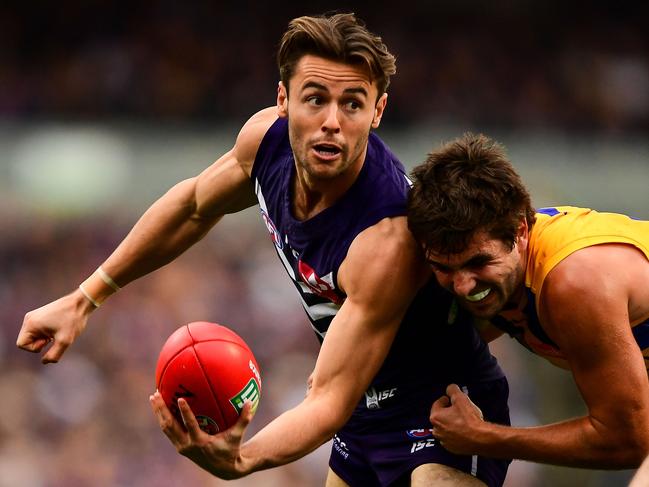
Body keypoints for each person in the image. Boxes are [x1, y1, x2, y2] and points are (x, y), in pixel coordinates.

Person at [15, 13, 511, 487]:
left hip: (445, 405)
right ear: (282, 100)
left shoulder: (386, 238)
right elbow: (192, 207)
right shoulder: (264, 144)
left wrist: (243, 459)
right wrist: (85, 298)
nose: (332, 122)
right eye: (314, 99)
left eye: (353, 104)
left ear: (378, 111)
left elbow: (327, 397)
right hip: (365, 409)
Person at [406, 132, 649, 469]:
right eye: (444, 268)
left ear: (520, 232)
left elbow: (628, 441)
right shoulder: (499, 272)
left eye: (478, 263)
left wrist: (483, 437)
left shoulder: (574, 284)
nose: (462, 286)